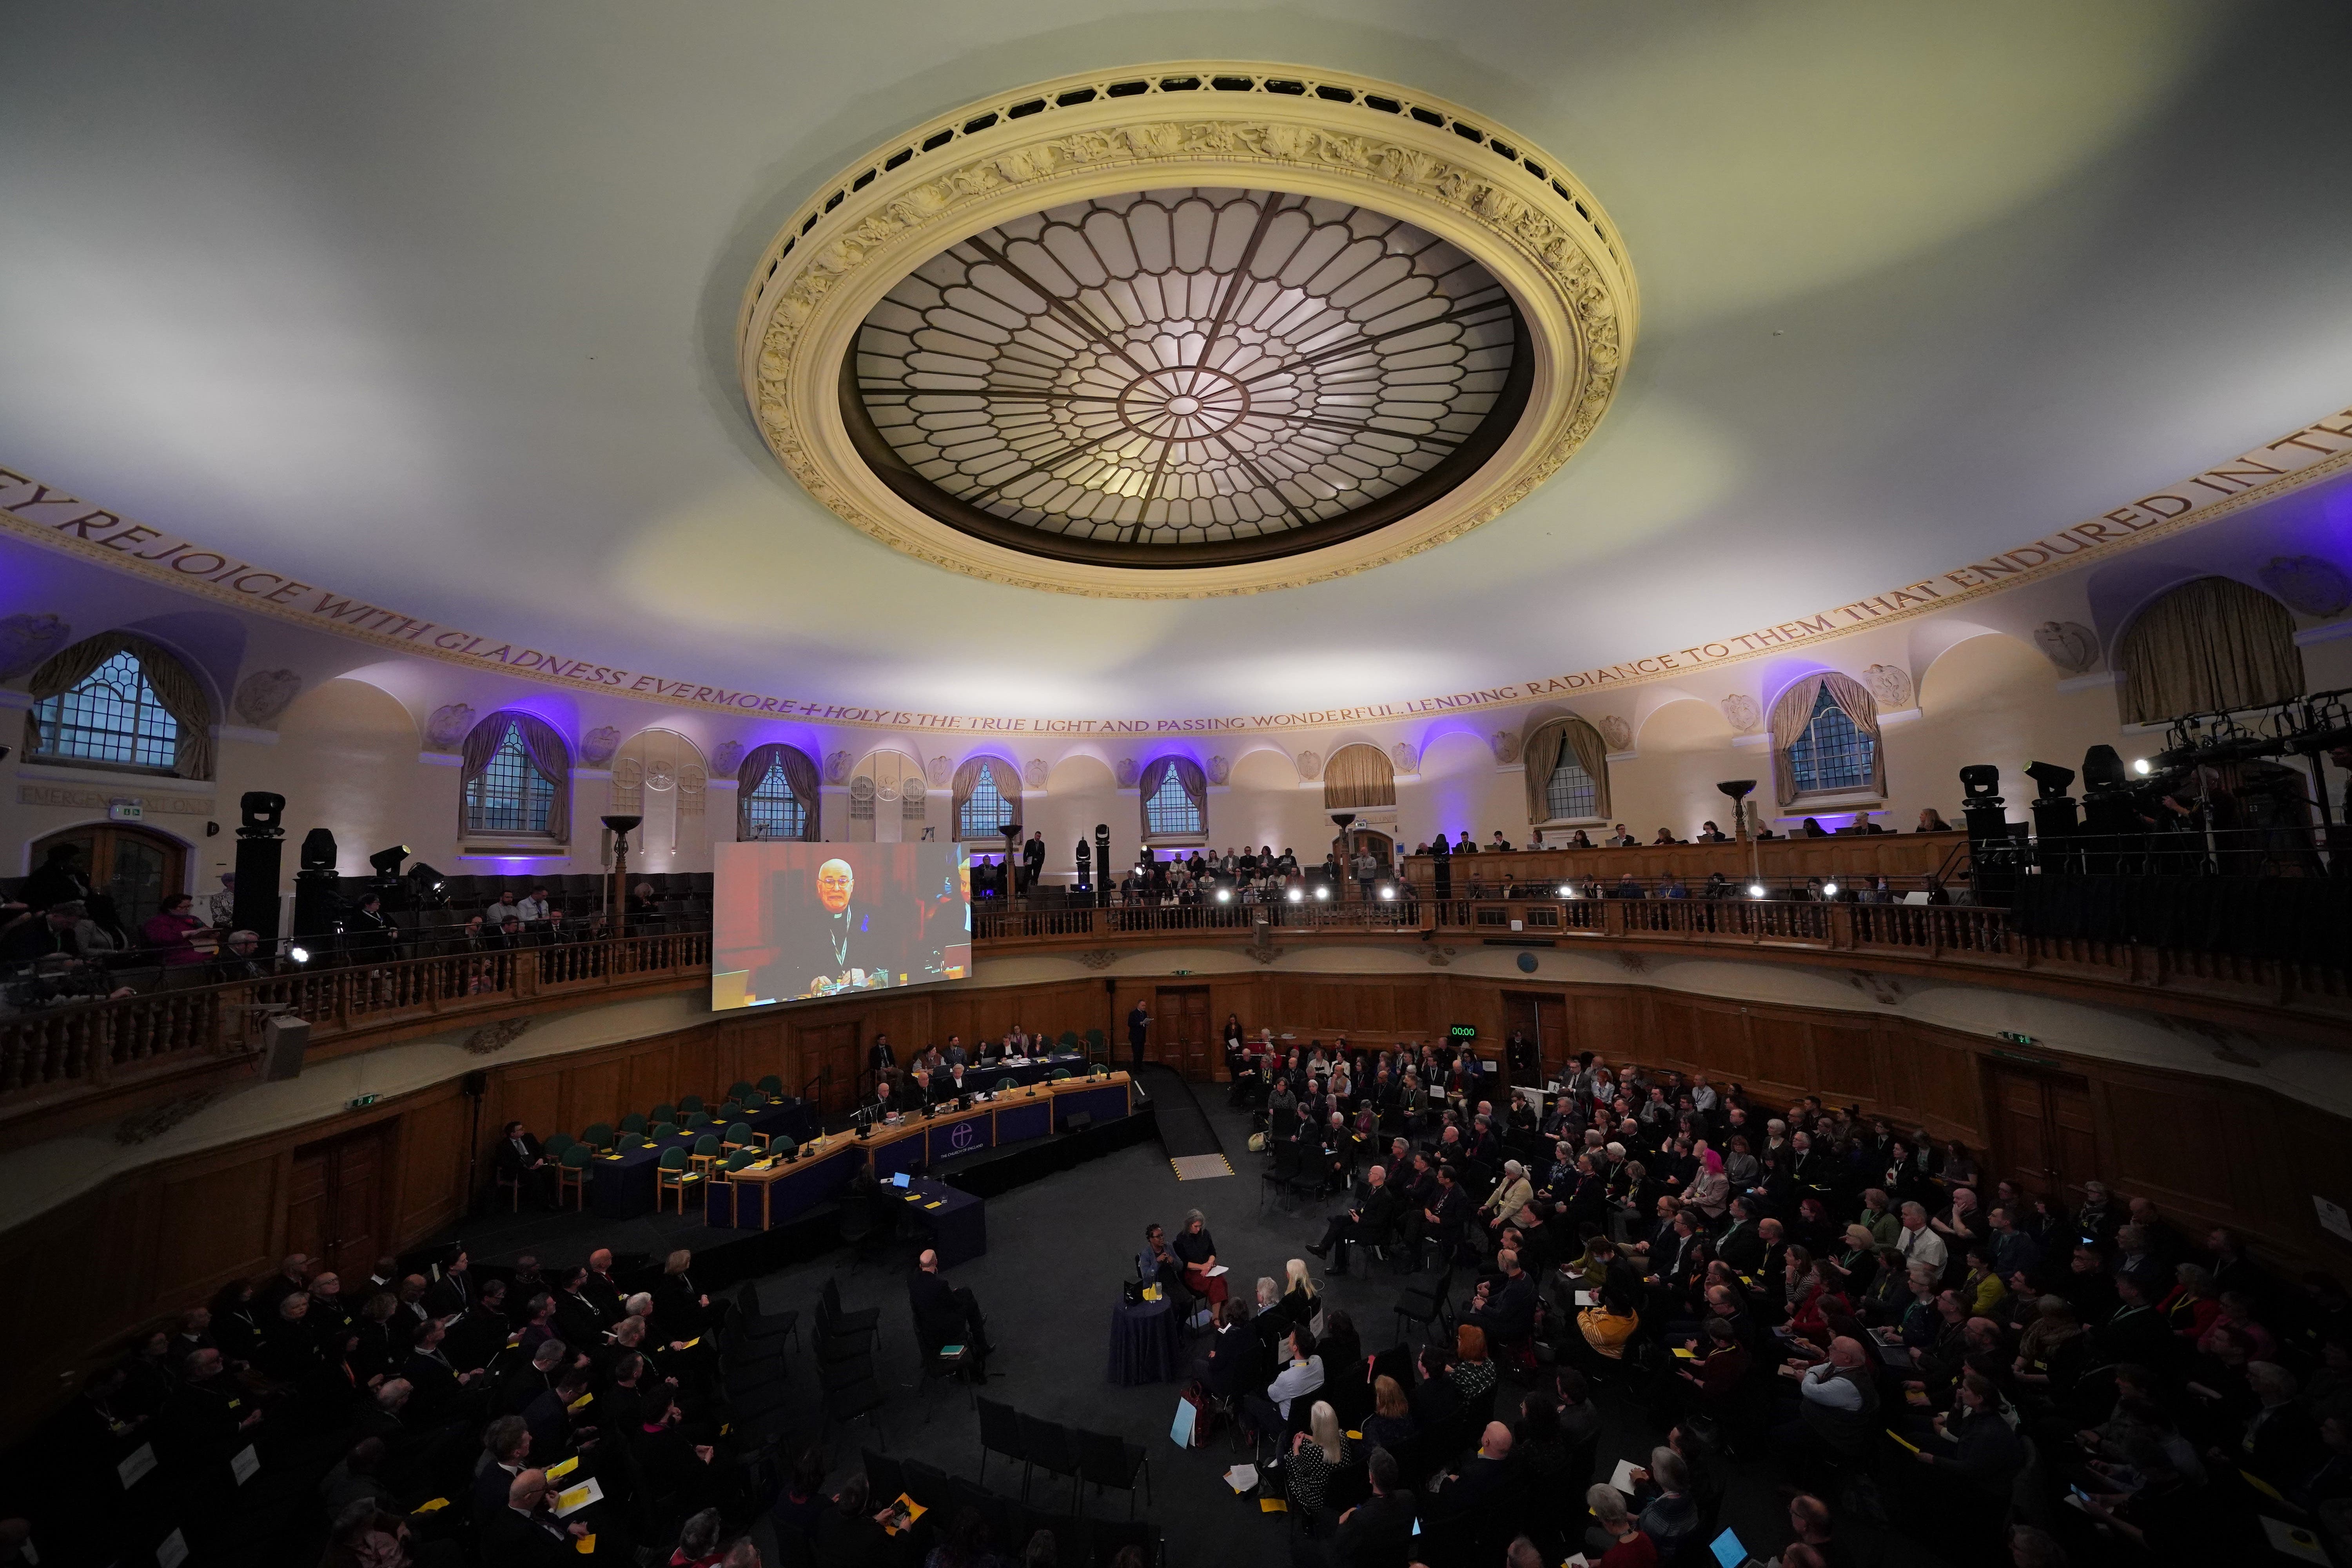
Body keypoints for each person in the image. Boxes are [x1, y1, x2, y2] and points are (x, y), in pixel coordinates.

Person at [908, 1249, 991, 1370]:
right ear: (936, 1262)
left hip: (927, 1326)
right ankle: (982, 1345)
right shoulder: (940, 1285)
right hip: (943, 1331)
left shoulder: (913, 1281)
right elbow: (956, 1305)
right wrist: (954, 1294)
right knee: (969, 1300)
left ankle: (978, 1325)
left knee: (965, 1295)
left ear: (921, 1266)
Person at [1126, 999, 1151, 1068]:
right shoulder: (1133, 1013)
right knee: (1136, 1053)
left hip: (1142, 1036)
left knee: (1141, 1053)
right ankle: (1136, 1068)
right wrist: (1139, 1024)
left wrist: (1147, 1023)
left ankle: (1140, 1067)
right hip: (1135, 1037)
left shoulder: (1145, 1013)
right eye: (1143, 1006)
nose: (1144, 1007)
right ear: (1139, 1005)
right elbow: (1130, 1024)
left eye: (1145, 1006)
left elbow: (1145, 1023)